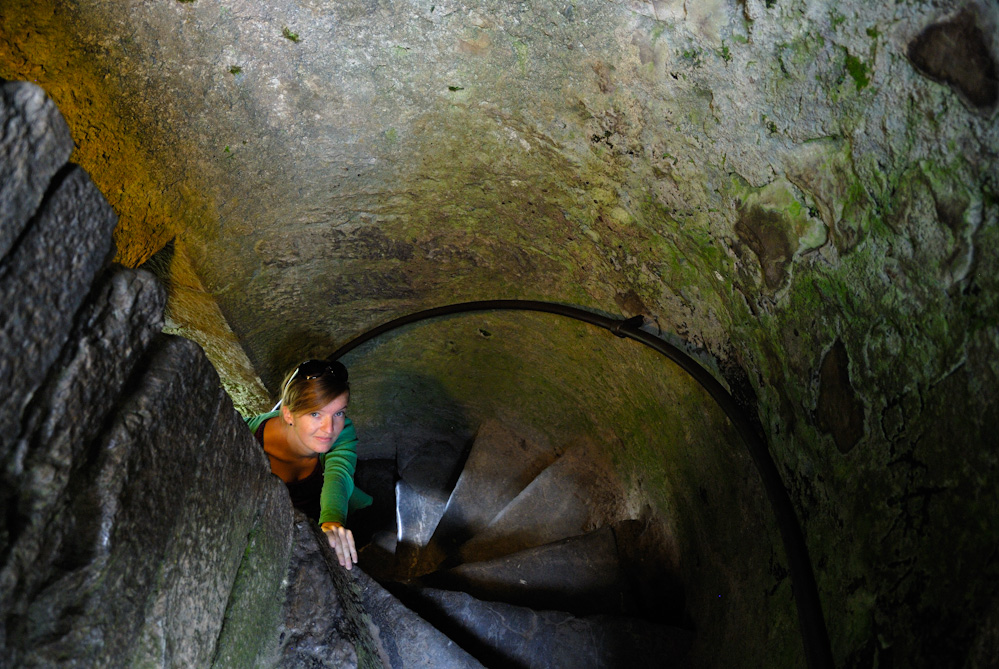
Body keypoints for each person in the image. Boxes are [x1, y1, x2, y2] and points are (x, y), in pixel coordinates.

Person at [246, 359, 372, 570]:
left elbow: (338, 475)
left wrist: (332, 522)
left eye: (338, 413)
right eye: (315, 414)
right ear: (288, 414)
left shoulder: (344, 432)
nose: (329, 428)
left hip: (332, 521)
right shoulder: (246, 435)